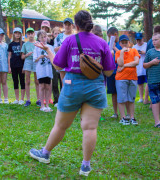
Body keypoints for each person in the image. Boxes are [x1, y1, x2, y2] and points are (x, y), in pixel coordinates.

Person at [29, 10, 115, 176]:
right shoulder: (102, 43)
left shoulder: (70, 40)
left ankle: (45, 153)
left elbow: (58, 66)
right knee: (90, 128)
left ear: (75, 25)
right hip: (95, 88)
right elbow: (110, 73)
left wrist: (48, 50)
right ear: (91, 23)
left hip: (72, 85)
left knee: (61, 125)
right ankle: (85, 166)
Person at [115, 34, 140, 125]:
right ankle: (123, 117)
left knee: (131, 99)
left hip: (132, 77)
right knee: (121, 98)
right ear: (120, 43)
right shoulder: (118, 53)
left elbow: (136, 62)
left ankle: (132, 117)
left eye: (126, 42)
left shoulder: (134, 51)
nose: (125, 44)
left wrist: (125, 66)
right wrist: (122, 52)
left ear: (129, 43)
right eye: (123, 43)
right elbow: (120, 63)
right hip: (121, 78)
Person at [33, 30, 54, 112]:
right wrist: (40, 57)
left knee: (48, 86)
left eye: (45, 36)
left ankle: (47, 105)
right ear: (38, 38)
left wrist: (49, 57)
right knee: (41, 86)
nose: (43, 38)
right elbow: (34, 59)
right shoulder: (36, 47)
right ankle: (42, 105)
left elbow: (54, 58)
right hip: (41, 69)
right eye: (41, 37)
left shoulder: (50, 47)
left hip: (48, 70)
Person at [143, 33, 160, 128]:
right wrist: (152, 62)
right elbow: (144, 65)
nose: (154, 42)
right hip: (153, 81)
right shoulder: (150, 52)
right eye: (153, 40)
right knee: (155, 101)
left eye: (156, 40)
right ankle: (157, 122)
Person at [21, 27, 40, 107]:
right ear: (27, 35)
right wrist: (26, 55)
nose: (30, 35)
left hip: (36, 61)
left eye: (32, 33)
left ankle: (39, 99)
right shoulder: (25, 44)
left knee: (37, 81)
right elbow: (22, 57)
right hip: (28, 61)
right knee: (27, 81)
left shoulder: (37, 43)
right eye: (29, 34)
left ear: (34, 34)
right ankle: (28, 99)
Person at [106, 27, 122, 119]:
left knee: (121, 92)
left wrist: (114, 48)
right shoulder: (108, 44)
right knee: (113, 92)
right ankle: (115, 112)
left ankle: (123, 113)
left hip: (120, 72)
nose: (109, 39)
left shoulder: (121, 44)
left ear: (116, 35)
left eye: (110, 36)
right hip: (111, 72)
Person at [54, 18, 74, 86]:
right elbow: (55, 49)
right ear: (63, 25)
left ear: (72, 26)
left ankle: (70, 95)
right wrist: (64, 47)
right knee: (64, 82)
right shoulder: (59, 37)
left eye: (69, 25)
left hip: (72, 62)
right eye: (66, 25)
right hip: (62, 62)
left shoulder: (75, 36)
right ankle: (65, 95)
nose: (67, 26)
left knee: (71, 82)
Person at [8, 27, 25, 105]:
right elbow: (9, 56)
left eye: (19, 33)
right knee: (15, 81)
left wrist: (24, 67)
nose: (17, 34)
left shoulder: (23, 43)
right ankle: (17, 99)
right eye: (16, 33)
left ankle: (22, 99)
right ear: (13, 34)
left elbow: (24, 56)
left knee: (22, 81)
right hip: (13, 65)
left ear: (21, 34)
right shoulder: (11, 44)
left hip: (21, 65)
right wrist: (9, 67)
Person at [133, 33, 149, 104]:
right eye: (137, 40)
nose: (138, 41)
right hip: (138, 68)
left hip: (146, 67)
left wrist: (144, 52)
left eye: (139, 40)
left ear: (142, 38)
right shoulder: (134, 47)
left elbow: (149, 52)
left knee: (148, 83)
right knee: (140, 84)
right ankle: (141, 98)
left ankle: (146, 97)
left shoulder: (146, 45)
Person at [0, 28, 9, 104]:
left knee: (4, 81)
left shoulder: (5, 45)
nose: (0, 37)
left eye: (2, 36)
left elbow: (7, 55)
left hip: (4, 65)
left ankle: (6, 98)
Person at [51, 27, 62, 105]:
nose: (57, 35)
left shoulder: (62, 40)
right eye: (55, 33)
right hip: (54, 62)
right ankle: (56, 99)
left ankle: (62, 99)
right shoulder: (51, 41)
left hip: (62, 62)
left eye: (58, 33)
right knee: (54, 82)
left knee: (62, 82)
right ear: (53, 34)